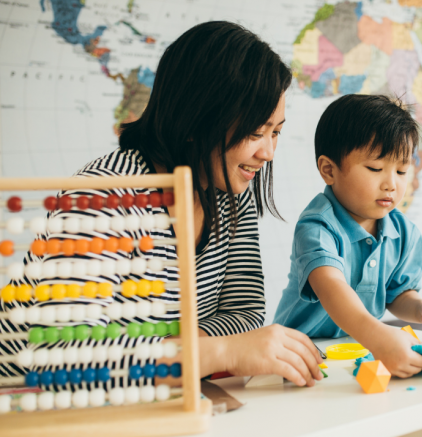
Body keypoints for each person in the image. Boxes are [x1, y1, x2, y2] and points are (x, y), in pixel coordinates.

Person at [0, 21, 322, 388]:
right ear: (195, 120)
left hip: (147, 397)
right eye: (254, 132)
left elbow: (245, 314)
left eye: (275, 131)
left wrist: (177, 354)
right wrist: (217, 353)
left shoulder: (232, 192)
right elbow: (62, 358)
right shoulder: (101, 199)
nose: (268, 152)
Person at [274, 95, 422, 378]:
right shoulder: (316, 226)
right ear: (329, 170)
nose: (391, 183)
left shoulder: (404, 233)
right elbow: (332, 289)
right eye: (376, 169)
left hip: (357, 351)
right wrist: (379, 336)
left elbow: (396, 294)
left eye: (402, 170)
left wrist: (420, 309)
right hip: (299, 355)